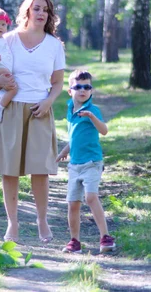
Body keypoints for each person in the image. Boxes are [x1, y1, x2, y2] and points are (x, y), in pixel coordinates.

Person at [0, 0, 65, 243]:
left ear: (49, 16)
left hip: (39, 110)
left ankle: (42, 221)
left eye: (45, 10)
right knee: (10, 171)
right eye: (36, 8)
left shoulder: (53, 45)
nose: (41, 13)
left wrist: (49, 101)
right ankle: (13, 225)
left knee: (40, 170)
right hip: (9, 108)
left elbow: (58, 82)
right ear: (26, 12)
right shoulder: (7, 39)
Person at [56, 69, 116, 254]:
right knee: (73, 203)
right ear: (70, 91)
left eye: (87, 87)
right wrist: (63, 152)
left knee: (90, 197)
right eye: (78, 86)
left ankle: (105, 237)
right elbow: (74, 137)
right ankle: (74, 241)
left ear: (91, 90)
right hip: (75, 165)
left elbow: (104, 131)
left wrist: (92, 117)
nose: (83, 90)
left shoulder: (92, 110)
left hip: (92, 162)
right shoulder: (70, 110)